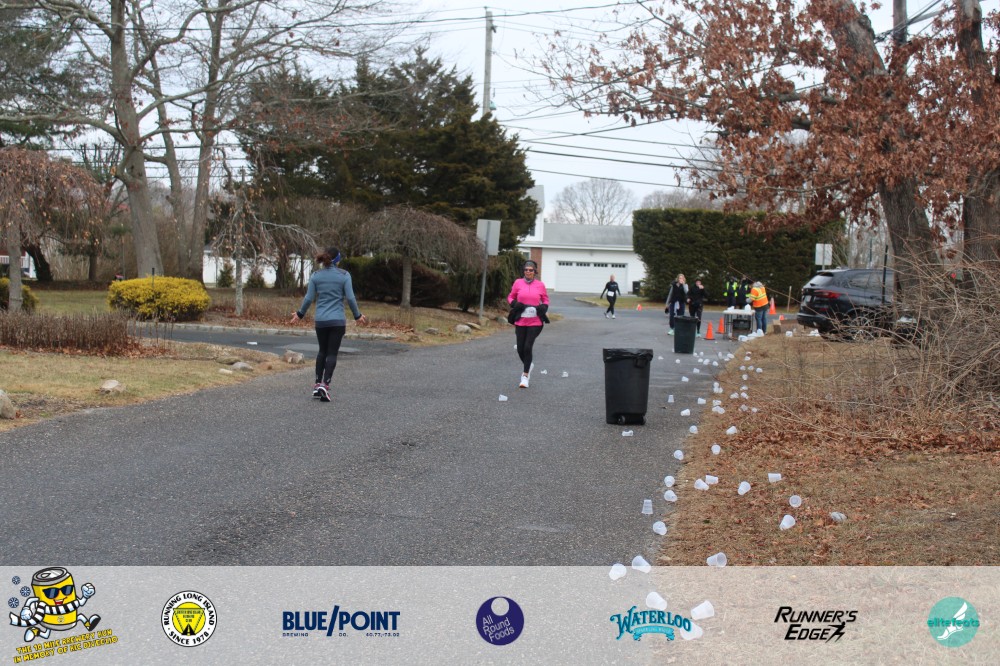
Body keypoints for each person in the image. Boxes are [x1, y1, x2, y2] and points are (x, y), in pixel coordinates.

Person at [290, 247, 368, 402]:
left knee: (322, 352)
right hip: (337, 321)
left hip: (321, 321)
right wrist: (357, 315)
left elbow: (309, 298)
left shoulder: (316, 275)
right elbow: (350, 298)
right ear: (337, 260)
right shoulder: (344, 275)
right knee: (332, 353)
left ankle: (317, 385)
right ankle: (324, 386)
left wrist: (299, 314)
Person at [507, 260, 549, 388]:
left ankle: (525, 376)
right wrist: (514, 303)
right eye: (526, 270)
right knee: (520, 348)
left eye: (531, 270)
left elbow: (545, 299)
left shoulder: (540, 285)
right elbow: (510, 296)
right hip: (521, 320)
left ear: (535, 271)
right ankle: (528, 364)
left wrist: (544, 306)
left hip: (535, 321)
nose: (528, 272)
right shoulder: (518, 283)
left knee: (527, 346)